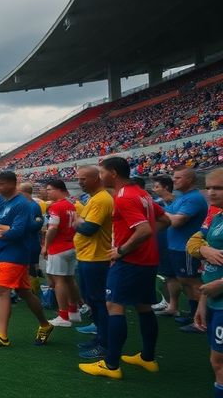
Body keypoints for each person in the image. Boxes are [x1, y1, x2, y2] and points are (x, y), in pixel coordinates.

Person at [80, 156, 169, 379]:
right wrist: (141, 241)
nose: (100, 177)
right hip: (148, 260)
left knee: (114, 305)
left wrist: (122, 250)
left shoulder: (124, 196)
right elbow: (164, 220)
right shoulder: (142, 193)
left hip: (130, 261)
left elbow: (144, 230)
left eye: (101, 172)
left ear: (113, 173)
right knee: (143, 306)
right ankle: (147, 358)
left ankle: (111, 365)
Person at [0, 171, 53, 347]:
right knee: (24, 292)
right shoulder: (6, 203)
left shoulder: (22, 204)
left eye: (1, 184)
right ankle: (45, 325)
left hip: (13, 255)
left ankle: (2, 335)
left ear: (14, 183)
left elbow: (17, 232)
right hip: (5, 254)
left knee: (3, 292)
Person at [72, 166, 114, 360]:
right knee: (92, 301)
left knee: (99, 302)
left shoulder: (102, 199)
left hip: (97, 258)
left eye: (84, 179)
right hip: (87, 256)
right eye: (79, 179)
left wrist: (77, 222)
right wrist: (79, 222)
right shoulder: (93, 199)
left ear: (96, 178)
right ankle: (99, 337)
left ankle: (105, 344)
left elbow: (88, 228)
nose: (80, 182)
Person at [190, 169, 223, 397]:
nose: (211, 192)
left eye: (218, 188)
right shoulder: (217, 216)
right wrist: (203, 299)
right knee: (217, 361)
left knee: (219, 362)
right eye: (209, 187)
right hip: (213, 300)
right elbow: (195, 242)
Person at [164, 166, 209, 331]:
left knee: (192, 281)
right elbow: (167, 214)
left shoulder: (193, 198)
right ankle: (193, 313)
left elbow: (176, 221)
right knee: (185, 281)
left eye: (177, 178)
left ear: (189, 180)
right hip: (177, 246)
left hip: (187, 248)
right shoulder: (181, 198)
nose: (173, 181)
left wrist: (166, 215)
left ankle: (202, 319)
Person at [43, 179, 82, 327]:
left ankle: (63, 316)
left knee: (59, 281)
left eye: (49, 189)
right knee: (69, 279)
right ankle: (74, 311)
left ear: (59, 190)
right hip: (71, 245)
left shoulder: (56, 206)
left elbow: (53, 228)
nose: (47, 192)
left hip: (58, 247)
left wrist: (46, 246)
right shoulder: (70, 205)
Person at [151, 175, 179, 316]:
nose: (153, 189)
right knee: (167, 275)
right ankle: (168, 303)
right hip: (163, 242)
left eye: (156, 186)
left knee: (179, 278)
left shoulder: (176, 202)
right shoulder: (158, 202)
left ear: (166, 187)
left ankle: (174, 307)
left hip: (174, 243)